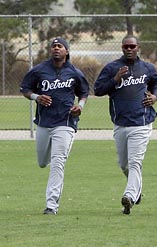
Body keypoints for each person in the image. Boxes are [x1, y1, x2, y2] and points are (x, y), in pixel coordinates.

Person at [19, 37, 89, 215]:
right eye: (53, 46)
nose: (56, 49)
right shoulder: (40, 70)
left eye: (60, 46)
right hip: (44, 122)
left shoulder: (74, 72)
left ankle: (51, 205)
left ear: (66, 51)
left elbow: (83, 92)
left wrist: (79, 107)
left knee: (58, 162)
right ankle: (58, 153)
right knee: (43, 162)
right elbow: (25, 88)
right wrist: (37, 97)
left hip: (65, 122)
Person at [94, 35, 157, 215]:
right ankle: (136, 188)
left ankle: (129, 196)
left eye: (132, 46)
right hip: (120, 123)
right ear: (122, 48)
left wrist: (155, 96)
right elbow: (98, 90)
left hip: (142, 122)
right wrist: (115, 79)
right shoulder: (112, 68)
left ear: (138, 47)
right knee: (124, 164)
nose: (129, 49)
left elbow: (156, 82)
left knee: (134, 162)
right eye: (126, 46)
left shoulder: (147, 68)